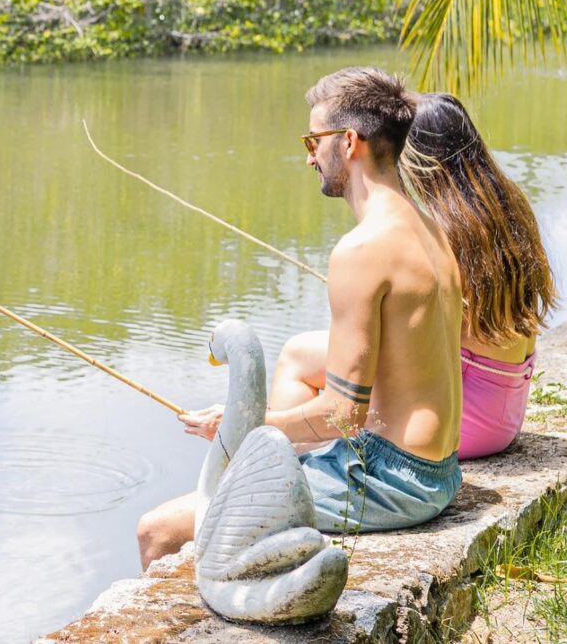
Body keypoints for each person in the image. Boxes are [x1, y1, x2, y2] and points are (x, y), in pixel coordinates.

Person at [136, 67, 464, 570]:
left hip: (388, 480)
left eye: (314, 140)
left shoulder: (362, 250)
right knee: (262, 471)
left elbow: (342, 416)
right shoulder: (430, 229)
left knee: (157, 532)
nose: (309, 155)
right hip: (437, 471)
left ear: (348, 142)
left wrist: (245, 426)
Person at [401, 93, 556, 458]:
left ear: (421, 160)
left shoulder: (441, 230)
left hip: (462, 425)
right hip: (503, 416)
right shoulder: (507, 206)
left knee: (303, 360)